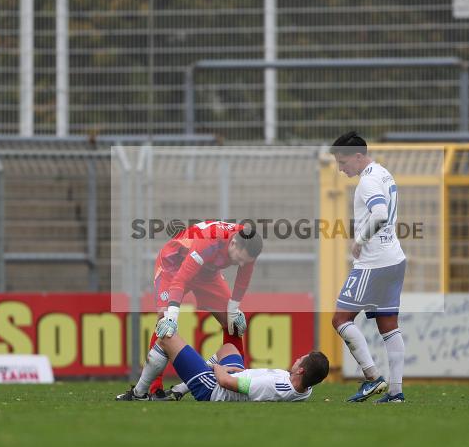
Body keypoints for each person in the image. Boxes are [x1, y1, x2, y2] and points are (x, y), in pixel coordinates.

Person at [119, 220, 263, 401]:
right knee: (164, 322)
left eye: (245, 262)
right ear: (233, 243)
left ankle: (235, 380)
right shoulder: (210, 241)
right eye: (239, 259)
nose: (241, 264)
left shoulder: (249, 244)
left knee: (233, 323)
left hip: (207, 272)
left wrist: (234, 309)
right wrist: (172, 317)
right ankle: (153, 390)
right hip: (174, 264)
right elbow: (180, 279)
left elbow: (243, 280)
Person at [329, 131, 407, 403]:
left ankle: (373, 378)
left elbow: (380, 214)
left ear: (358, 156)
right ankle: (396, 392)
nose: (341, 168)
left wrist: (360, 240)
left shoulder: (368, 181)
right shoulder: (384, 173)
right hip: (394, 259)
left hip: (374, 263)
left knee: (340, 320)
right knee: (389, 327)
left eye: (343, 162)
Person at [116, 328, 329, 402]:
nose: (297, 358)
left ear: (301, 370)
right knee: (229, 348)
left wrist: (220, 369)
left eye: (301, 359)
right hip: (234, 376)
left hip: (212, 388)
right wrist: (242, 372)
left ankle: (139, 393)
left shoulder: (272, 386)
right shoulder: (306, 388)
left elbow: (226, 383)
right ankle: (180, 389)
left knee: (166, 337)